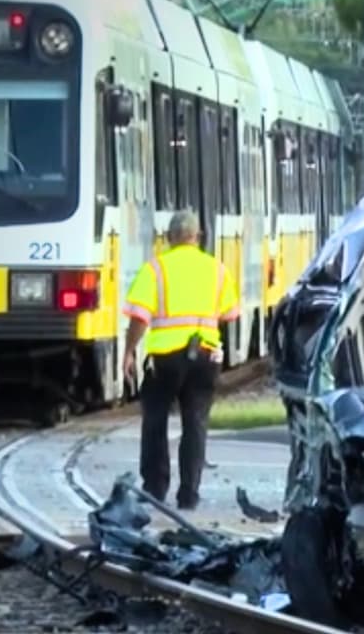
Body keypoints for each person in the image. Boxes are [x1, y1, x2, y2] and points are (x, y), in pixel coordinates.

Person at [121, 210, 240, 510]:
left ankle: (155, 488)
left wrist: (129, 351)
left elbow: (138, 317)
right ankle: (189, 493)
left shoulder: (155, 269)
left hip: (165, 359)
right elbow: (230, 313)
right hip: (205, 357)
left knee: (155, 421)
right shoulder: (217, 269)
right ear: (198, 237)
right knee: (196, 423)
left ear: (169, 237)